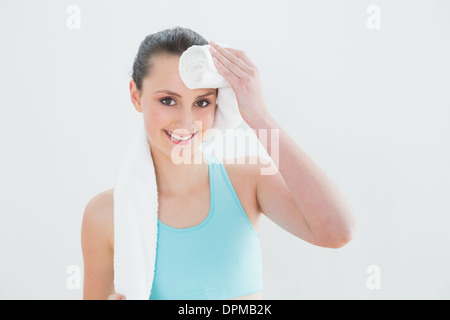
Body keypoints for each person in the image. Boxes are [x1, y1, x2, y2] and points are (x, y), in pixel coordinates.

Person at [81, 26, 357, 300]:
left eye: (201, 103)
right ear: (135, 95)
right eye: (168, 100)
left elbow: (338, 231)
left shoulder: (248, 182)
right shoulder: (107, 215)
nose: (186, 122)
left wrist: (259, 116)